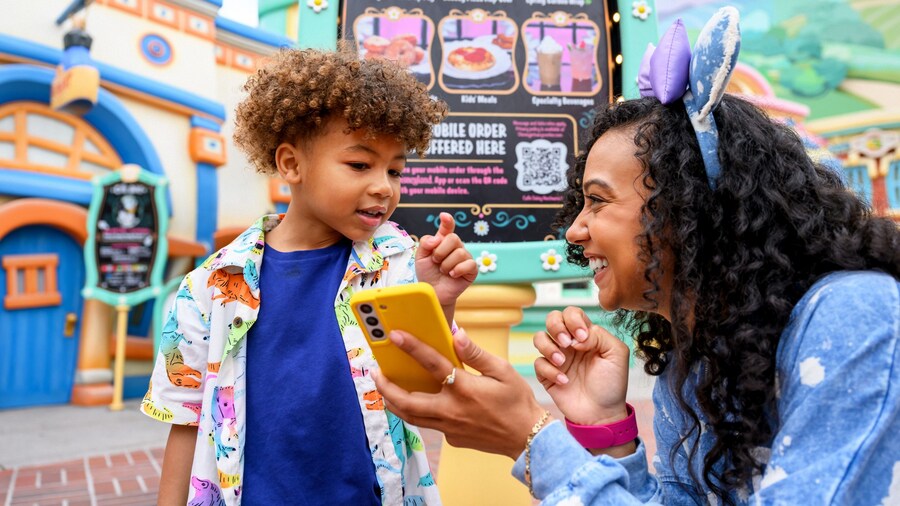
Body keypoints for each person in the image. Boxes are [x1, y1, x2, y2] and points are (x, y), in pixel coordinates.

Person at [373, 7, 900, 505]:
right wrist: (606, 431)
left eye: (597, 201)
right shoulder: (692, 362)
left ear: (687, 207)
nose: (575, 230)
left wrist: (531, 438)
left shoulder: (855, 313)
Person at [141, 46, 476, 505]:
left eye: (395, 169)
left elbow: (428, 385)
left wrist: (438, 303)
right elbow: (186, 419)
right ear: (291, 164)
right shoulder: (212, 284)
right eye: (360, 164)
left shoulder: (398, 262)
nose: (384, 185)